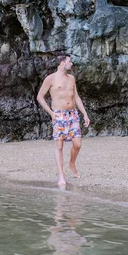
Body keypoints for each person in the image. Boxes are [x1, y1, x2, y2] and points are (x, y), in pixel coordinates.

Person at [37, 55, 90, 186]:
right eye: (69, 61)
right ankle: (61, 176)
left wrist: (85, 114)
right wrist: (51, 113)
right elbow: (40, 97)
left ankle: (71, 163)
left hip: (73, 114)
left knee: (77, 144)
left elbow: (76, 97)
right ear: (62, 63)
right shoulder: (51, 78)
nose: (71, 64)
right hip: (59, 115)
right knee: (59, 146)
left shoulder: (71, 78)